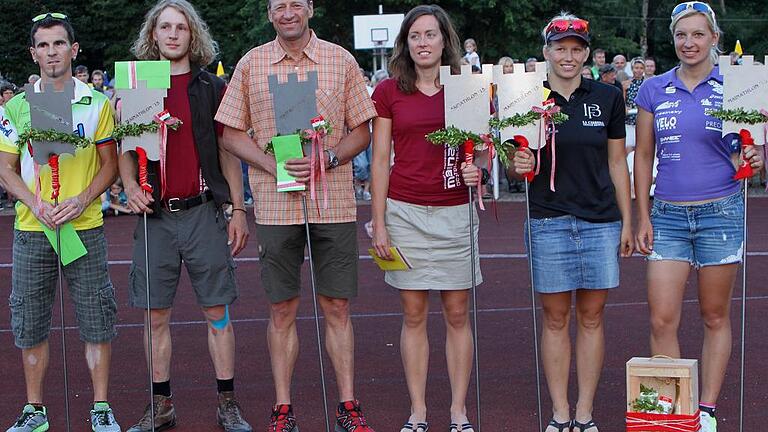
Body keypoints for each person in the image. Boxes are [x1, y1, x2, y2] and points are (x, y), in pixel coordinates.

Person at [214, 0, 378, 430]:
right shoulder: (251, 64)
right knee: (282, 308)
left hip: (334, 200)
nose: (287, 12)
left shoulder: (340, 60)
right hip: (274, 202)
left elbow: (363, 127)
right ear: (270, 14)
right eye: (278, 6)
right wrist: (272, 166)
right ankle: (282, 407)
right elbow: (230, 133)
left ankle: (347, 404)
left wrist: (334, 158)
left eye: (295, 4)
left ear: (310, 9)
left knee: (337, 306)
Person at [120, 1, 251, 431]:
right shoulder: (138, 84)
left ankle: (227, 402)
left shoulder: (212, 86)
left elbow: (229, 150)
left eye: (181, 27)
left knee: (218, 312)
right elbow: (126, 148)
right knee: (156, 315)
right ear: (152, 35)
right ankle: (161, 404)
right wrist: (132, 186)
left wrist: (237, 207)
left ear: (192, 35)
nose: (173, 34)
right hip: (156, 217)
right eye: (165, 27)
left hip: (203, 212)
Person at [633, 3, 763, 432]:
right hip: (667, 214)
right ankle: (670, 410)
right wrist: (641, 213)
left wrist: (754, 157)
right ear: (673, 39)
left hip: (721, 212)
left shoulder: (737, 85)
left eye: (698, 35)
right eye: (681, 35)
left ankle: (705, 410)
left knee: (714, 316)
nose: (689, 43)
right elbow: (644, 155)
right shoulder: (653, 88)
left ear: (714, 38)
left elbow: (749, 147)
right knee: (661, 318)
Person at [510, 12, 633, 432]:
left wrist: (629, 220)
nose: (568, 55)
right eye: (559, 47)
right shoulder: (526, 96)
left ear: (586, 54)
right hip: (548, 219)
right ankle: (560, 413)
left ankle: (585, 412)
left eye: (576, 48)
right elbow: (515, 165)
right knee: (556, 318)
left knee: (593, 317)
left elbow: (618, 163)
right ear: (545, 51)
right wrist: (518, 162)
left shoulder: (608, 96)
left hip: (600, 220)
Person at [0, 12, 122, 432]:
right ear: (33, 53)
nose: (52, 52)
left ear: (74, 50)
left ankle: (101, 407)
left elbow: (111, 167)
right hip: (33, 228)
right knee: (30, 320)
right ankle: (35, 410)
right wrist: (34, 203)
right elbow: (6, 169)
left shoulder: (98, 103)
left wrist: (83, 197)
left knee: (96, 317)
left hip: (83, 224)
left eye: (59, 44)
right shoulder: (16, 106)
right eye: (43, 45)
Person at [370, 5, 482, 432]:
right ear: (405, 42)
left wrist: (480, 169)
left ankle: (458, 411)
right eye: (415, 35)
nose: (422, 42)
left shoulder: (466, 87)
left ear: (444, 40)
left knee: (457, 314)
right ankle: (418, 411)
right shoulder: (388, 91)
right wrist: (378, 222)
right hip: (404, 213)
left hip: (455, 212)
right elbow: (380, 161)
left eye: (430, 34)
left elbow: (480, 150)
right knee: (413, 314)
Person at [624, 56, 645, 152]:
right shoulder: (626, 84)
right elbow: (622, 100)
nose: (639, 70)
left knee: (641, 147)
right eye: (636, 68)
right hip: (629, 119)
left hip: (642, 118)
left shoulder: (647, 83)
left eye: (641, 68)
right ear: (632, 69)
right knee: (628, 147)